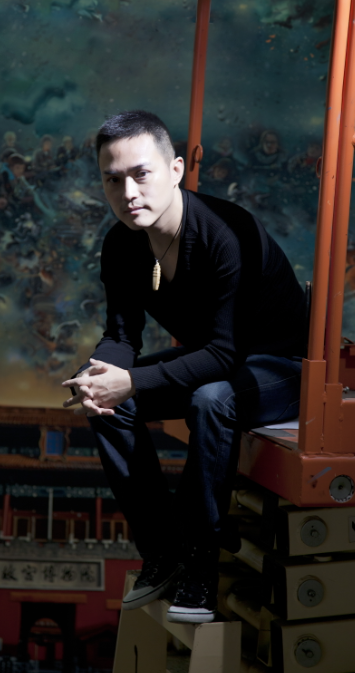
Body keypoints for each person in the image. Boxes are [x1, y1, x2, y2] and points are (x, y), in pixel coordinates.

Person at [61, 111, 307, 624]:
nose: (128, 192)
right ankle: (164, 551)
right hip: (216, 361)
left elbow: (223, 354)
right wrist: (99, 375)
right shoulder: (121, 243)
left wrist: (131, 381)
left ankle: (200, 563)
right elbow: (122, 336)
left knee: (211, 399)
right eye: (112, 180)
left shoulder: (227, 234)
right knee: (104, 402)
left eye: (140, 174)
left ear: (175, 170)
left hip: (281, 366)